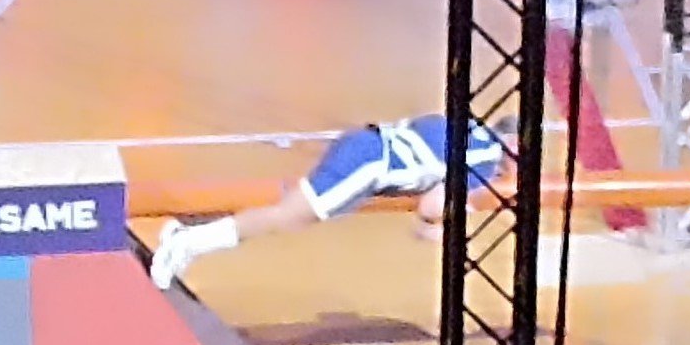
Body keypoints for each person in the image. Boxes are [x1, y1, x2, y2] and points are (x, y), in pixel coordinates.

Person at [148, 113, 519, 290]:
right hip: (369, 165)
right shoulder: (484, 160)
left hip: (364, 145)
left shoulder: (462, 124)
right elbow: (432, 207)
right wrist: (437, 230)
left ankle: (188, 237)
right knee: (288, 216)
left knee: (291, 215)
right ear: (511, 145)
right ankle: (187, 241)